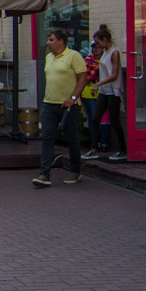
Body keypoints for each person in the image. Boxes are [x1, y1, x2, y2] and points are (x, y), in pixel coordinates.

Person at [32, 28, 87, 188]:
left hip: (69, 105)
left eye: (51, 40)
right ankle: (44, 174)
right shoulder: (49, 57)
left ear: (61, 41)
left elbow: (83, 78)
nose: (48, 43)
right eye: (48, 40)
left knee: (71, 137)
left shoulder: (74, 56)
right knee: (47, 138)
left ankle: (75, 170)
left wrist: (73, 97)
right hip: (49, 103)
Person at [87, 25, 127, 162]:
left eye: (98, 43)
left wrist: (98, 83)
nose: (97, 46)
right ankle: (93, 149)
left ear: (105, 40)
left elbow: (114, 74)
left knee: (115, 121)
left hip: (113, 90)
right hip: (104, 90)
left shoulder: (114, 53)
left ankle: (122, 149)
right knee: (95, 118)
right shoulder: (105, 52)